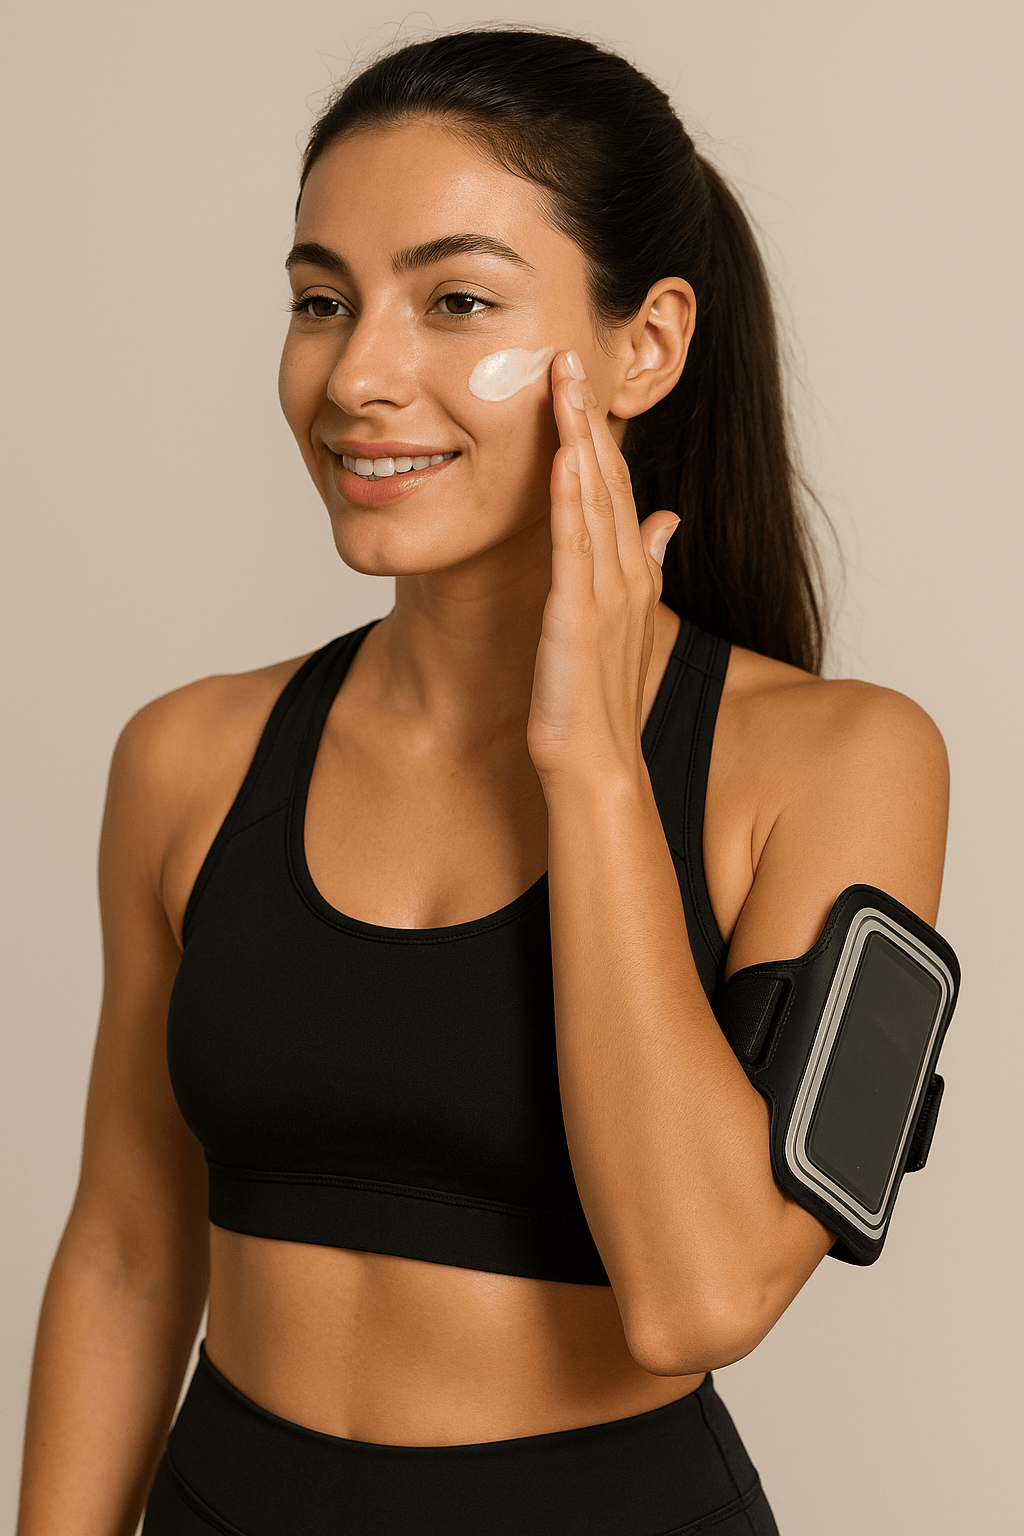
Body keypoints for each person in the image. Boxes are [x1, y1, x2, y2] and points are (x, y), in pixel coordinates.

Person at [16, 28, 949, 1536]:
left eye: (456, 300)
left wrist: (590, 767)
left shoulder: (842, 762)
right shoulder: (188, 758)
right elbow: (127, 1252)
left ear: (647, 345)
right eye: (322, 300)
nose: (358, 375)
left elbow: (700, 1296)